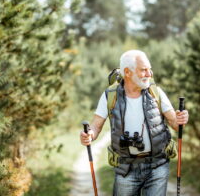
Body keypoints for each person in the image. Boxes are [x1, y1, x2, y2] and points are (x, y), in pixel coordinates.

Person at [80, 50, 189, 196]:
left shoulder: (156, 92)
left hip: (157, 166)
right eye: (143, 70)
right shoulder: (110, 95)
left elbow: (175, 123)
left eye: (150, 70)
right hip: (126, 168)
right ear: (127, 72)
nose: (149, 74)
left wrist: (181, 119)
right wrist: (89, 135)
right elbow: (96, 126)